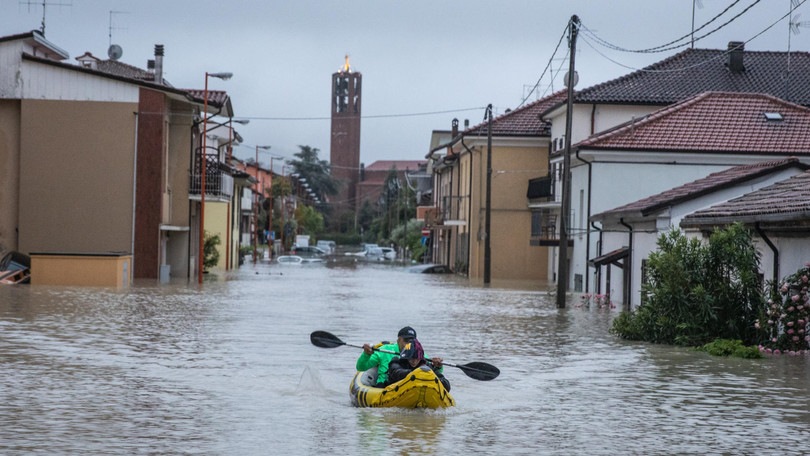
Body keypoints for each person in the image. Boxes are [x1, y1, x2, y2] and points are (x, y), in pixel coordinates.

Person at [356, 326, 445, 387]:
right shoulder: (385, 350)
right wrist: (366, 354)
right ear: (398, 340)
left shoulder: (420, 355)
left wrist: (438, 366)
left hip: (410, 387)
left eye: (411, 340)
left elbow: (433, 371)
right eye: (406, 340)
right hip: (384, 387)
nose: (408, 344)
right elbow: (361, 367)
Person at [387, 339, 451, 392]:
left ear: (421, 358)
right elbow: (396, 373)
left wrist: (432, 375)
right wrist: (419, 373)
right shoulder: (396, 362)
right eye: (411, 358)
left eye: (417, 358)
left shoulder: (427, 366)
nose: (414, 361)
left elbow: (446, 385)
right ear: (406, 357)